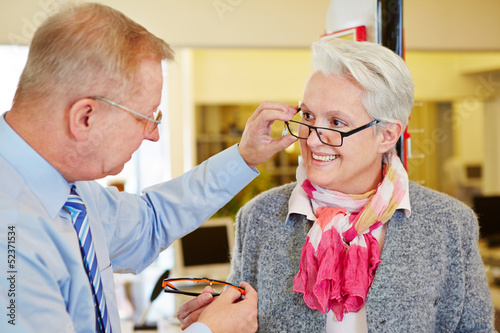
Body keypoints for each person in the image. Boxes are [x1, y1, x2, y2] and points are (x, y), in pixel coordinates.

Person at [0, 3, 298, 333]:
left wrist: (244, 157)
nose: (154, 135)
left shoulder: (73, 192)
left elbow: (151, 220)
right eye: (146, 118)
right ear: (85, 117)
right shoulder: (10, 239)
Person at [177, 39, 496, 332]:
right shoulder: (260, 217)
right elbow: (240, 321)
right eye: (309, 116)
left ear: (386, 135)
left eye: (337, 123)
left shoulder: (449, 223)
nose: (314, 138)